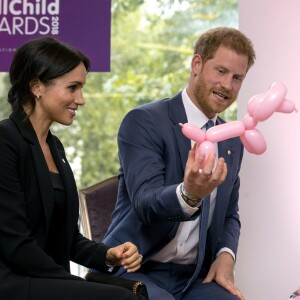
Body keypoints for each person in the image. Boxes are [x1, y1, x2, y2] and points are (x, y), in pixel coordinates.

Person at [103, 27, 256, 300]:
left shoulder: (233, 141)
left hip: (194, 277)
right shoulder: (144, 121)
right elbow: (145, 203)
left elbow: (231, 214)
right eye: (220, 71)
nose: (227, 85)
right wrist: (189, 194)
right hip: (135, 268)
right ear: (197, 64)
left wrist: (225, 255)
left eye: (237, 78)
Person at [0, 37, 143, 300]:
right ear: (37, 86)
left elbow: (66, 238)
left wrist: (107, 255)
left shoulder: (55, 148)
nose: (81, 99)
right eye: (73, 88)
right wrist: (73, 282)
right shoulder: (5, 141)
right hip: (13, 281)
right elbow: (15, 244)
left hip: (45, 279)